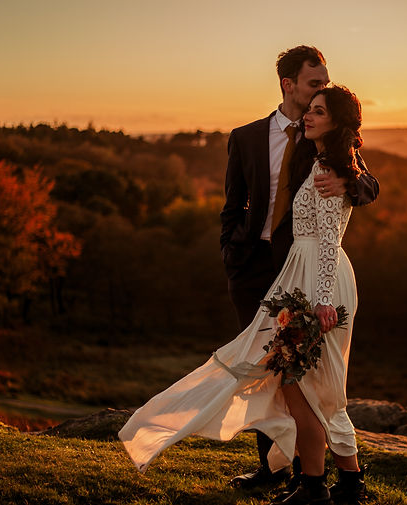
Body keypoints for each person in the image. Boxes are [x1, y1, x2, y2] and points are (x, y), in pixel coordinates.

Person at [119, 83, 372, 505]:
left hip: (316, 281)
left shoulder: (331, 171)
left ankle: (314, 489)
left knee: (299, 383)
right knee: (311, 384)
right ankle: (346, 483)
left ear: (337, 122)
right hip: (300, 275)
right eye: (309, 108)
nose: (308, 116)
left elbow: (329, 241)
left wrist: (323, 300)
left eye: (319, 112)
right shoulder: (322, 163)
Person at [220, 45, 378, 492]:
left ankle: (309, 478)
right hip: (254, 270)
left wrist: (350, 180)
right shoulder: (247, 136)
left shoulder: (321, 138)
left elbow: (366, 183)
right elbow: (232, 205)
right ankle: (274, 469)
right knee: (263, 369)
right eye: (314, 83)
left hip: (306, 272)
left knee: (300, 375)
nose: (320, 90)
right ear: (288, 84)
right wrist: (231, 256)